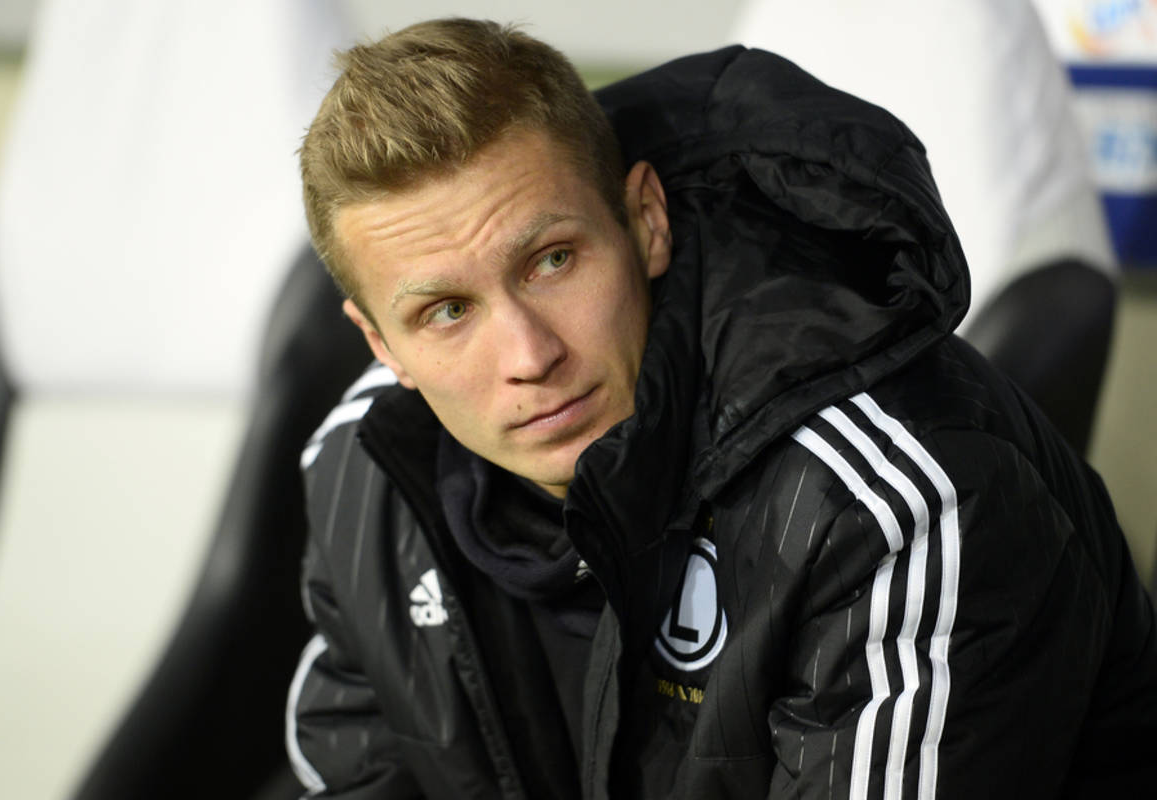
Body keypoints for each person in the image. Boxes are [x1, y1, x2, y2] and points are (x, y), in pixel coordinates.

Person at [285, 18, 1157, 800]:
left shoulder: (889, 502)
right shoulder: (365, 477)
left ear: (645, 222)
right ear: (381, 344)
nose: (529, 356)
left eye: (552, 261)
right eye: (447, 312)